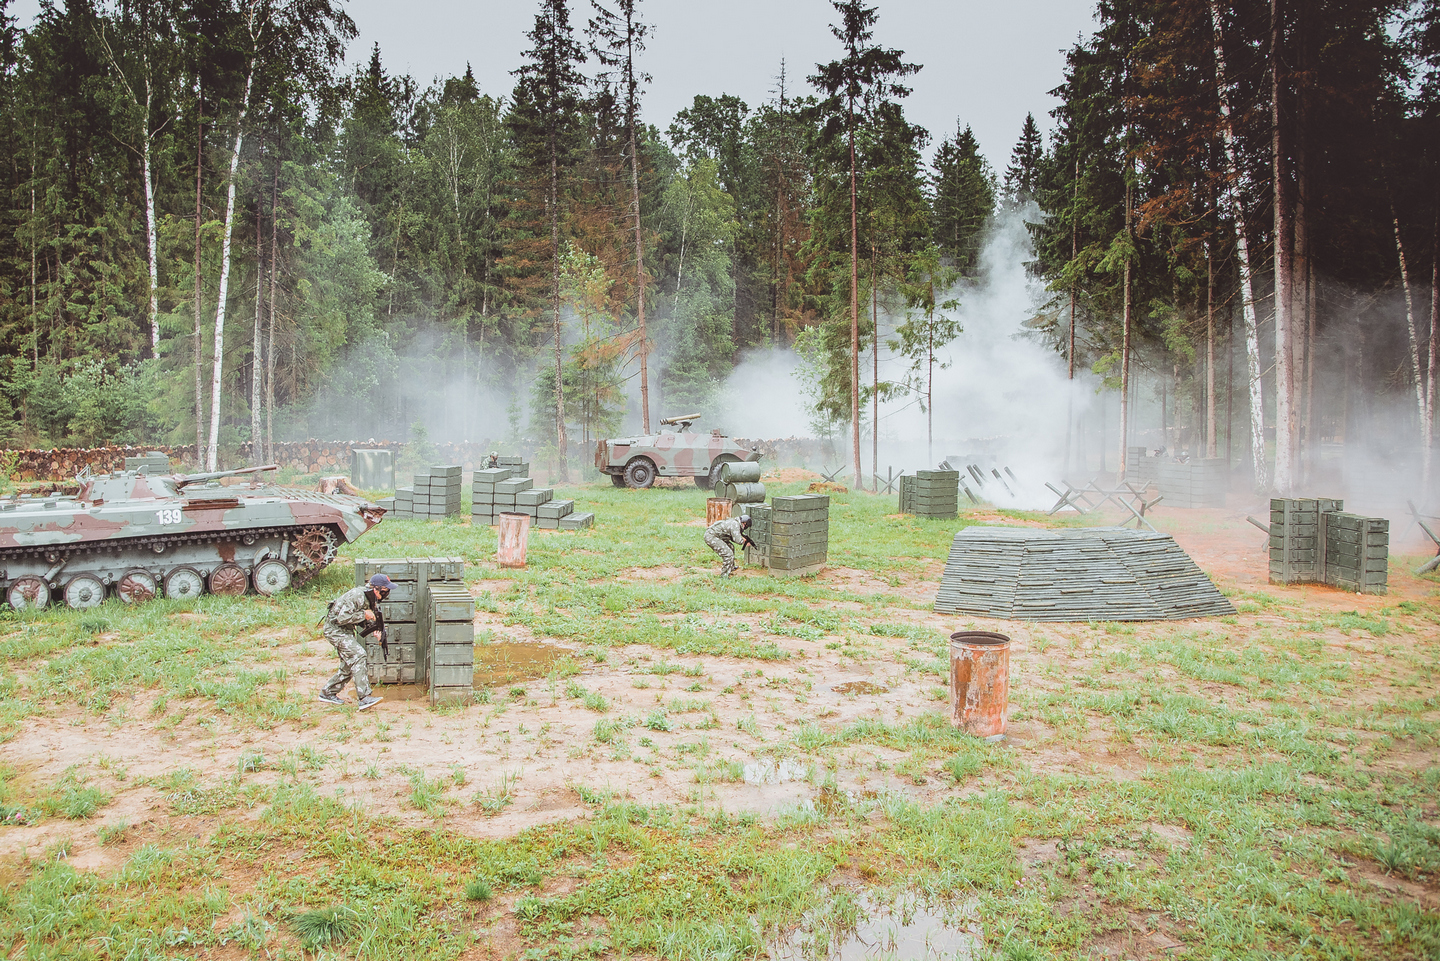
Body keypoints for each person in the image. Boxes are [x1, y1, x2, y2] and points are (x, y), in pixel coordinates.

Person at [318, 573, 393, 708]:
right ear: (377, 589)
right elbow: (342, 618)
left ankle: (327, 693)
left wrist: (375, 631)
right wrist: (364, 614)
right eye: (385, 590)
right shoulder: (357, 595)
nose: (387, 593)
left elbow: (362, 621)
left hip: (345, 630)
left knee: (348, 666)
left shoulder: (370, 599)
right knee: (359, 655)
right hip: (335, 630)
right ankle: (364, 698)